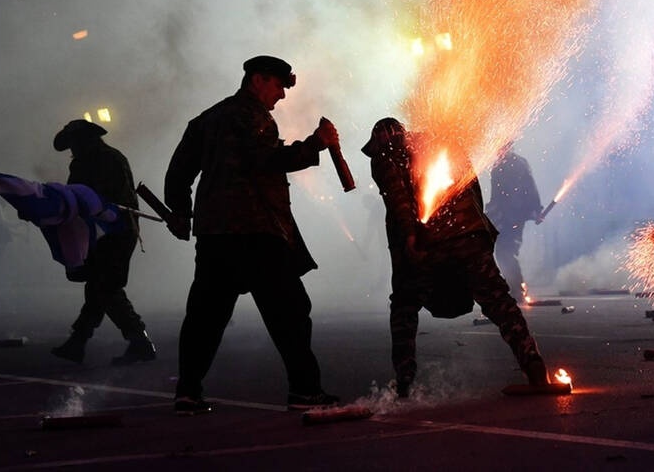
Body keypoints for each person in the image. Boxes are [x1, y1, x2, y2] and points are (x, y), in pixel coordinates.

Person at [164, 55, 340, 416]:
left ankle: (187, 392)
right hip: (258, 234)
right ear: (257, 80)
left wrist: (180, 213)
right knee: (290, 313)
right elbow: (267, 160)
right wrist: (315, 144)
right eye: (277, 85)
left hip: (215, 236)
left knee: (204, 318)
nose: (281, 95)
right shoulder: (254, 117)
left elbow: (179, 171)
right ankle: (305, 392)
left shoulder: (207, 119)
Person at [362, 118, 550, 398]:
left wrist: (411, 237)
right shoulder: (441, 144)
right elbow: (471, 187)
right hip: (470, 235)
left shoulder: (385, 153)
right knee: (498, 300)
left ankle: (404, 379)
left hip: (427, 241)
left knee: (404, 305)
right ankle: (534, 366)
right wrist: (478, 234)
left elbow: (398, 198)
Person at [50, 120, 156, 365]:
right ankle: (78, 342)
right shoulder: (104, 158)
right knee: (99, 286)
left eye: (74, 144)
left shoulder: (102, 161)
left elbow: (89, 196)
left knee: (105, 287)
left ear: (85, 140)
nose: (72, 150)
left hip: (114, 230)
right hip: (106, 231)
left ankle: (139, 341)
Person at [485, 143, 543, 299]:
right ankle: (516, 287)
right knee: (505, 251)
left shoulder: (508, 165)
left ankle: (517, 289)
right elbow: (530, 187)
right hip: (508, 216)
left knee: (505, 251)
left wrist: (537, 209)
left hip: (511, 216)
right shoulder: (507, 164)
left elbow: (529, 188)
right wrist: (536, 209)